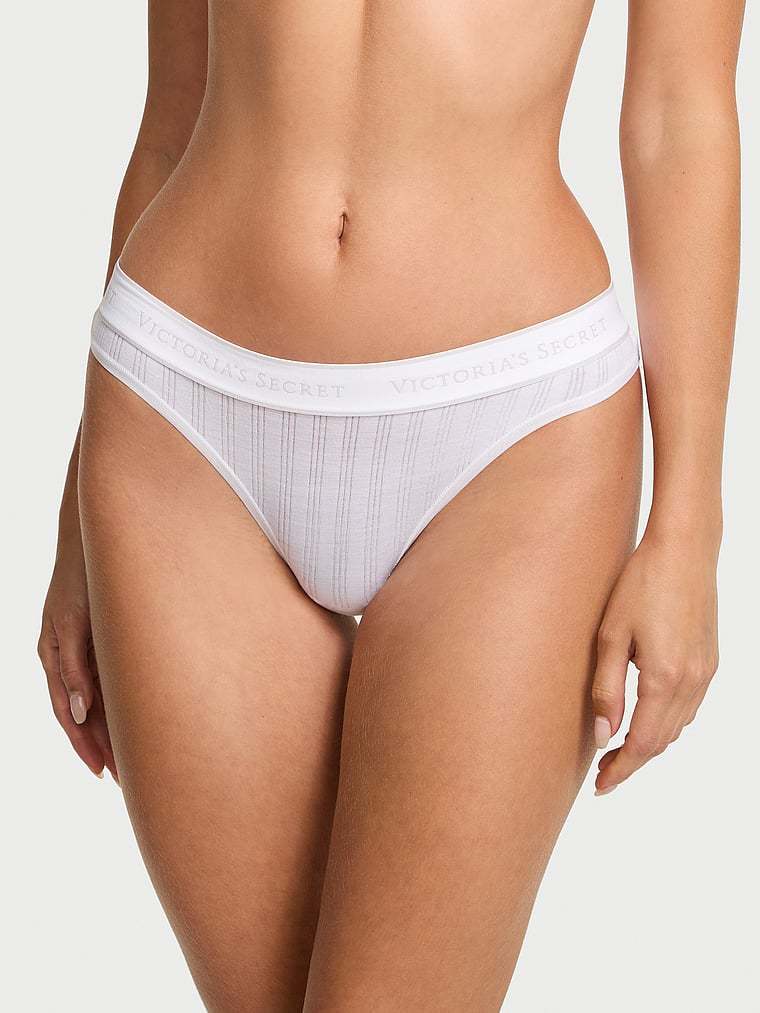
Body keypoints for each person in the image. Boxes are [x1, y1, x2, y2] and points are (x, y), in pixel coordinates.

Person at [38, 2, 744, 1009]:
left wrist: (689, 524)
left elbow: (679, 111)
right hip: (183, 419)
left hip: (513, 437)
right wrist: (79, 508)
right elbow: (173, 109)